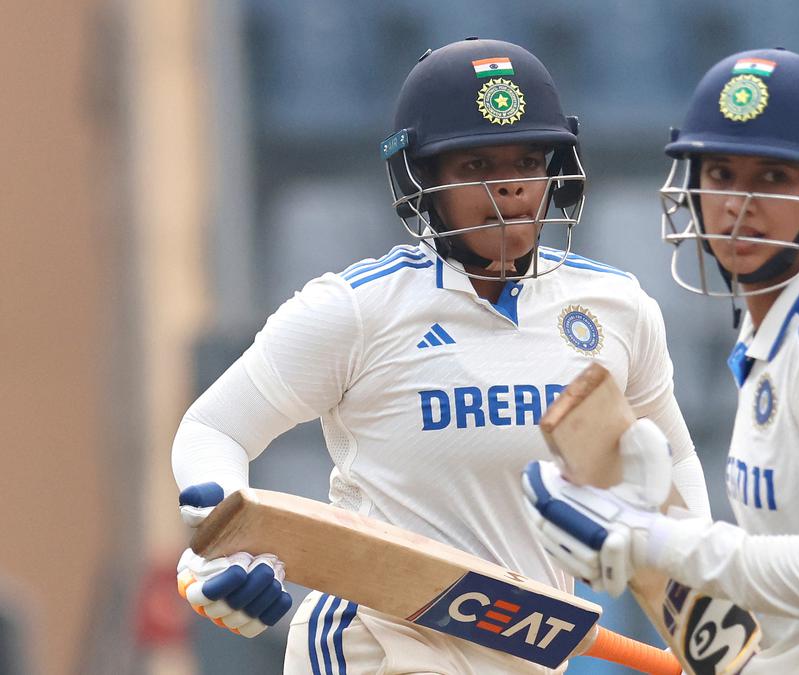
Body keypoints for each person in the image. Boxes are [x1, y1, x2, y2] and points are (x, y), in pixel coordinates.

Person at [171, 37, 709, 674]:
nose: (508, 187)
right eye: (475, 165)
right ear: (421, 179)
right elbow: (214, 427)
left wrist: (705, 610)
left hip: (528, 653)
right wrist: (223, 543)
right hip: (375, 648)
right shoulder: (357, 310)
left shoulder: (615, 308)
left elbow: (671, 457)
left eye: (528, 161)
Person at [522, 48, 799, 673]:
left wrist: (652, 538)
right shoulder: (788, 318)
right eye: (722, 174)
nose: (739, 203)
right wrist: (653, 521)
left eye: (775, 178)